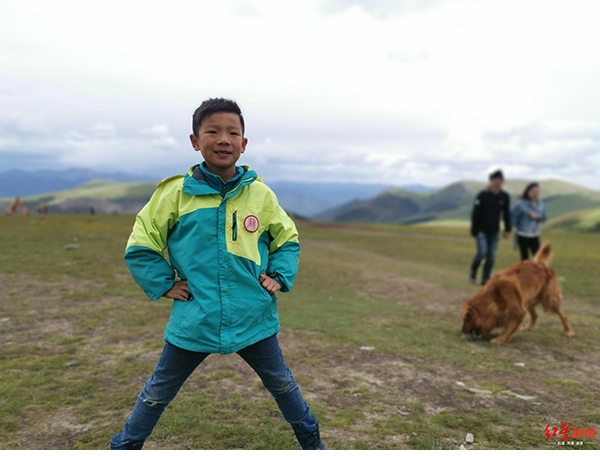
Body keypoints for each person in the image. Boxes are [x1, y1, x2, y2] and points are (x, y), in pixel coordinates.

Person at [110, 98, 326, 450]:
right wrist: (164, 283)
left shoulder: (261, 194)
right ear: (195, 141)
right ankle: (124, 446)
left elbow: (287, 239)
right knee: (158, 391)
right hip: (195, 317)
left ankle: (312, 444)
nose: (224, 139)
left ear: (244, 143)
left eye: (233, 133)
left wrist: (279, 275)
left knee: (282, 384)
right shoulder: (174, 194)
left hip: (252, 314)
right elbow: (141, 244)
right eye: (212, 131)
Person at [469, 169, 511, 285]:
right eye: (494, 180)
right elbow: (475, 213)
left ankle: (485, 278)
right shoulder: (482, 195)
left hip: (494, 231)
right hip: (481, 230)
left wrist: (507, 229)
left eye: (499, 180)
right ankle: (473, 272)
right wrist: (474, 230)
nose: (497, 183)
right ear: (490, 181)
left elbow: (506, 214)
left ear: (502, 182)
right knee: (482, 252)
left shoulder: (504, 196)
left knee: (491, 256)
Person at [511, 182, 547, 260]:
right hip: (522, 234)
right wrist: (509, 229)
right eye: (533, 191)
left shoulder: (541, 204)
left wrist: (537, 217)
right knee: (525, 258)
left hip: (534, 234)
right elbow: (513, 218)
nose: (535, 193)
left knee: (537, 258)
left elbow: (544, 218)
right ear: (528, 191)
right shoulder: (520, 204)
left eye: (537, 191)